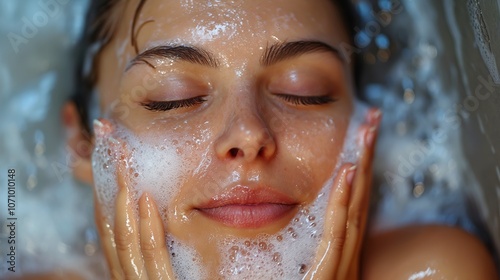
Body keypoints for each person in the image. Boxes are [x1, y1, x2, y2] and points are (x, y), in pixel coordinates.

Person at [60, 0, 498, 279]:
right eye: (176, 99)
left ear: (363, 120)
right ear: (82, 144)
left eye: (303, 91)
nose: (250, 134)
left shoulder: (435, 270)